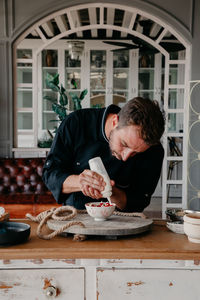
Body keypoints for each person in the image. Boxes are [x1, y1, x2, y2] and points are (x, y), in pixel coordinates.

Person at [42, 97, 165, 212]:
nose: (125, 157)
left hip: (125, 223)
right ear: (115, 121)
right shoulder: (76, 123)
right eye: (124, 144)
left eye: (135, 153)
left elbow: (139, 201)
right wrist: (81, 182)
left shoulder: (154, 151)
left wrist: (110, 191)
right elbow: (51, 174)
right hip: (76, 217)